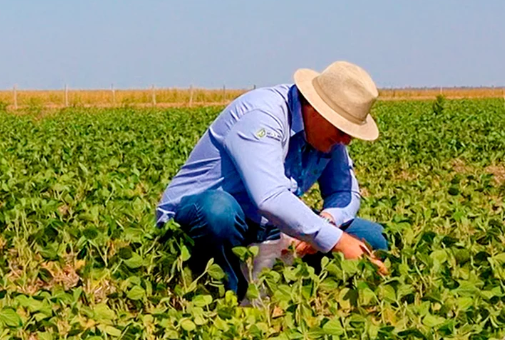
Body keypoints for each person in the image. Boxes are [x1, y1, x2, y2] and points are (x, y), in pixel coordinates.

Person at [156, 61, 389, 300]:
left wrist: (327, 222)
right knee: (218, 211)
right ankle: (224, 295)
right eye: (342, 129)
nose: (347, 140)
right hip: (198, 222)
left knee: (371, 237)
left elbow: (346, 192)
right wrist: (336, 241)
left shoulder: (329, 136)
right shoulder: (262, 115)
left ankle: (291, 287)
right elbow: (270, 198)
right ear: (317, 109)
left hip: (265, 230)